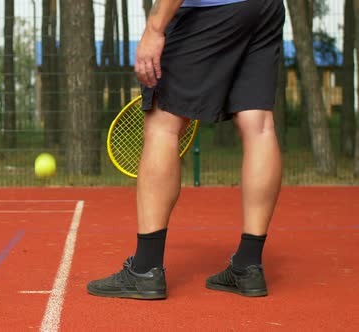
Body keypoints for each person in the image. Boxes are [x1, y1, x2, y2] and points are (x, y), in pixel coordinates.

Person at [87, 0, 285, 299]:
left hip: (213, 8)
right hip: (266, 8)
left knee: (162, 125)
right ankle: (248, 265)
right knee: (259, 126)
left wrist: (155, 28)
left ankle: (145, 269)